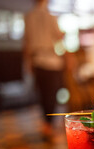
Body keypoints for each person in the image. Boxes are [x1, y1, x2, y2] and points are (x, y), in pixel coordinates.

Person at [23, 0, 65, 139]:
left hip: (37, 60)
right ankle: (49, 125)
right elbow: (59, 35)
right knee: (51, 94)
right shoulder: (51, 16)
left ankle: (46, 125)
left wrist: (28, 63)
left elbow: (26, 42)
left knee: (42, 94)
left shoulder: (28, 16)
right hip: (51, 61)